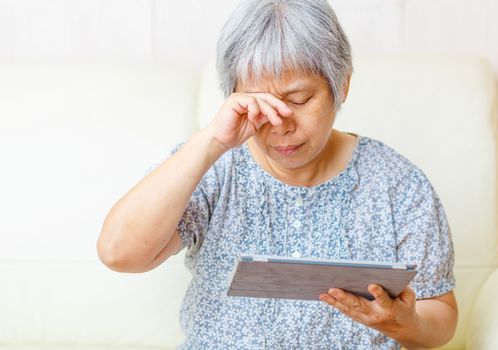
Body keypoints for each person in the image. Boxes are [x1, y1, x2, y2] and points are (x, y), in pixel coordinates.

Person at [97, 0, 458, 349]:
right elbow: (119, 253)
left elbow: (440, 316)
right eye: (258, 103)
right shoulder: (213, 167)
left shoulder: (398, 184)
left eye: (298, 99)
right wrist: (210, 143)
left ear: (341, 86)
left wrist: (404, 323)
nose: (279, 124)